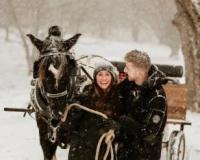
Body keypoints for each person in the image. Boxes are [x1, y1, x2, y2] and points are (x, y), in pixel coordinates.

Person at [116, 50, 168, 160]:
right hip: (124, 152)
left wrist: (125, 121)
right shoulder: (128, 86)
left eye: (128, 68)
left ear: (139, 71)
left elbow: (150, 134)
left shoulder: (157, 97)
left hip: (144, 155)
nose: (124, 70)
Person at [67, 63, 120, 160]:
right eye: (100, 74)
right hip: (82, 147)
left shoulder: (119, 97)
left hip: (104, 147)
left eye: (107, 74)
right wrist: (73, 109)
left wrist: (114, 127)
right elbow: (73, 123)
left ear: (113, 77)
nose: (103, 78)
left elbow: (123, 121)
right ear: (95, 77)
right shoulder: (86, 94)